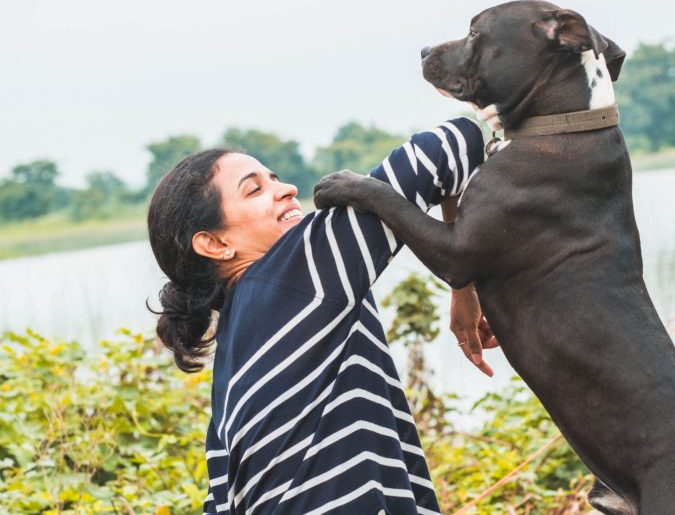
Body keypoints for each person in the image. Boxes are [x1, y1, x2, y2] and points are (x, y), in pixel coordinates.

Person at [147, 118, 495, 514]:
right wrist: (460, 277)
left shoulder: (234, 355)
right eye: (255, 189)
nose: (288, 189)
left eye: (275, 178)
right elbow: (457, 142)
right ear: (214, 243)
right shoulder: (292, 278)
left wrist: (460, 276)